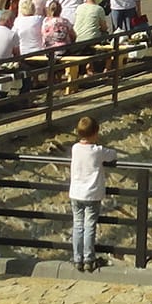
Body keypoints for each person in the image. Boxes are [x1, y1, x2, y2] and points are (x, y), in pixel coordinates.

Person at [67, 114, 117, 272]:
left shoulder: (75, 148)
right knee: (89, 226)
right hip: (92, 194)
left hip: (76, 193)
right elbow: (113, 155)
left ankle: (77, 258)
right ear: (95, 133)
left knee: (78, 225)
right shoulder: (98, 151)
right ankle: (89, 258)